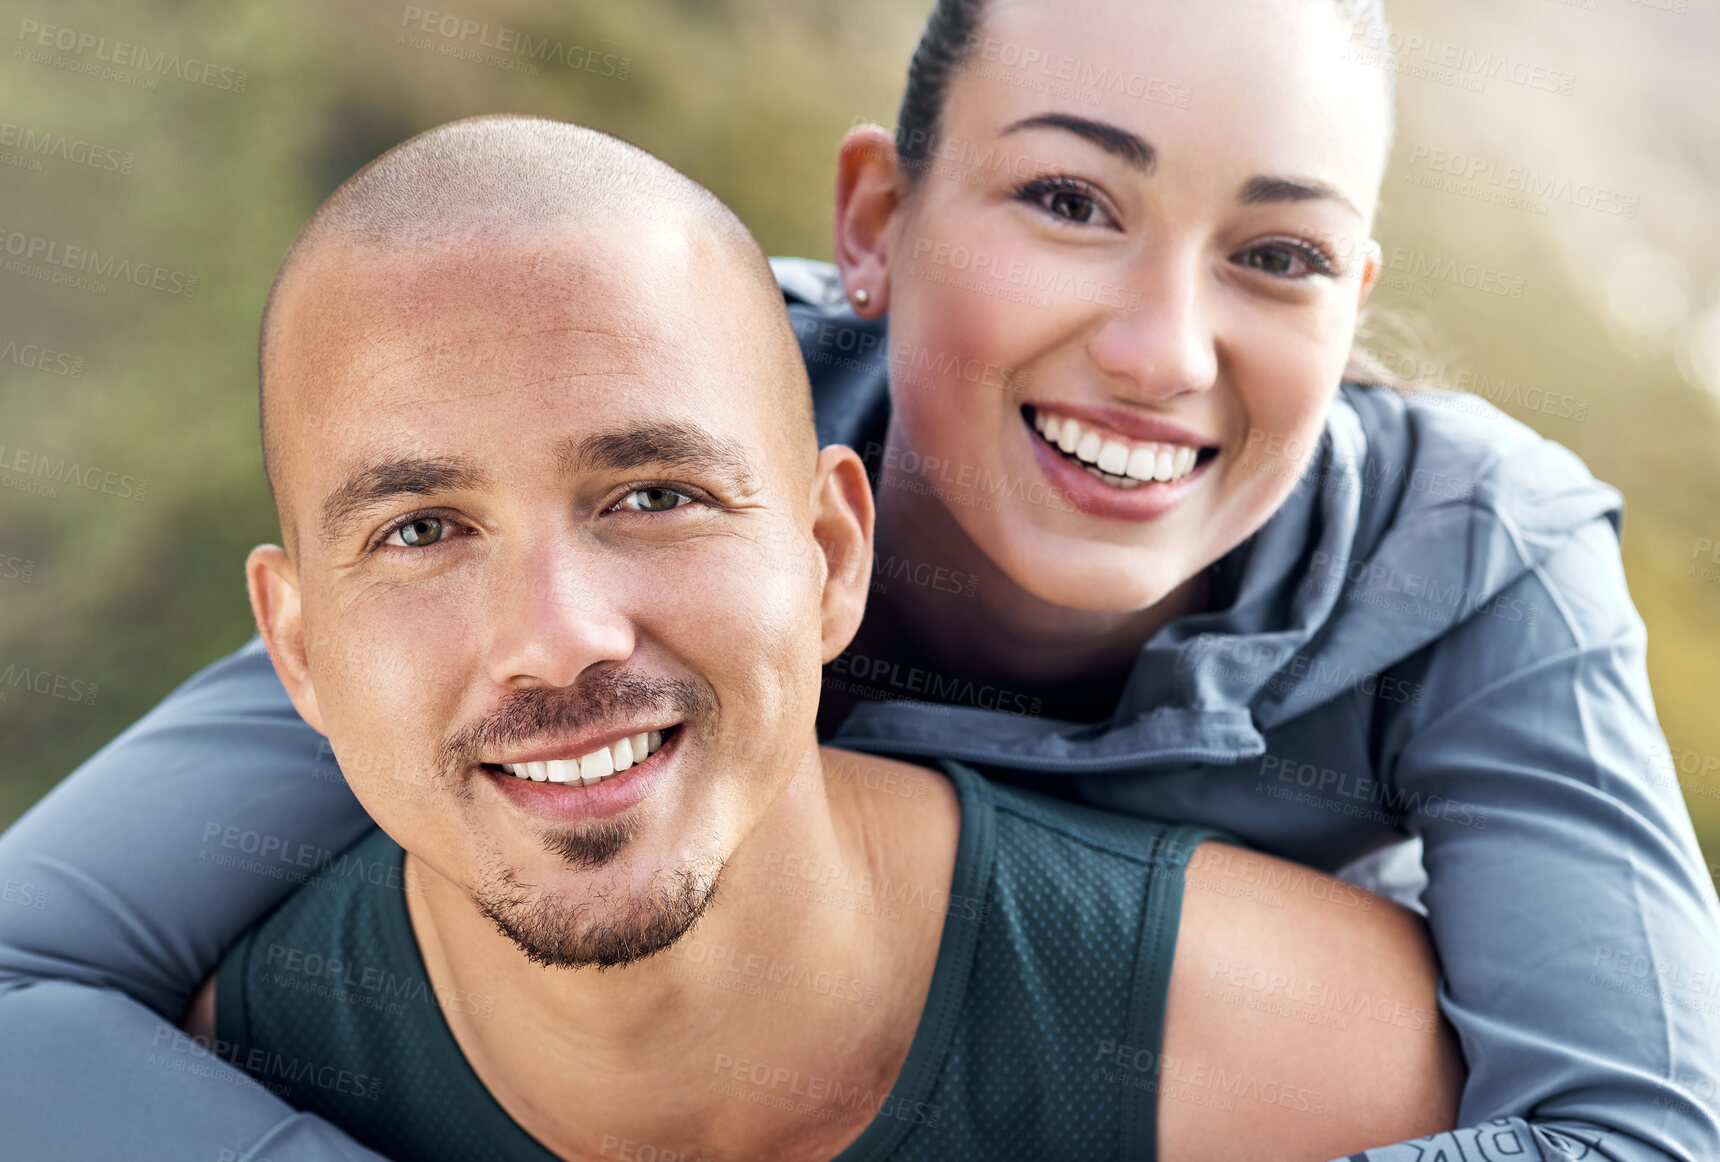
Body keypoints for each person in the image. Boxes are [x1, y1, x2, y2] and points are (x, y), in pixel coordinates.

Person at [1, 0, 1717, 1159]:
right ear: (878, 223)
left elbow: (1641, 1132)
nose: (1156, 346)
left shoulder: (1480, 555)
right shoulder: (620, 444)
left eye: (1279, 255)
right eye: (1068, 198)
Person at [190, 116, 1462, 1162]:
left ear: (830, 555)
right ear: (297, 649)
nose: (559, 638)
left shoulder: (1296, 1059)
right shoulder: (216, 1070)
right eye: (421, 530)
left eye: (653, 496)